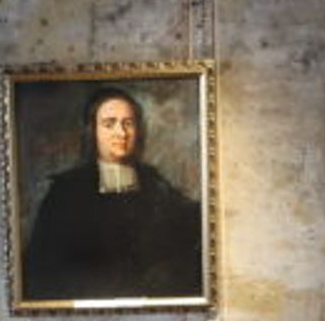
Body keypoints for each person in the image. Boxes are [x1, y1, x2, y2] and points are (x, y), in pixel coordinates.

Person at [21, 87, 203, 301]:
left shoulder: (153, 182)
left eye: (128, 123)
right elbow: (44, 269)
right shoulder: (66, 190)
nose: (121, 133)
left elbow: (191, 230)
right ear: (92, 131)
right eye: (109, 124)